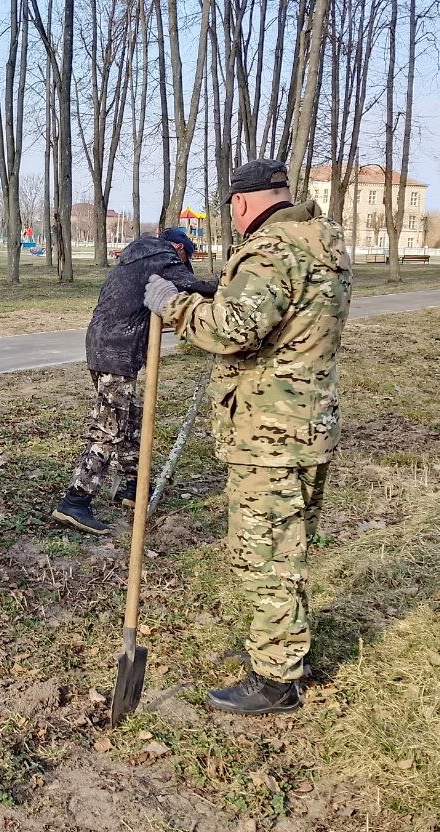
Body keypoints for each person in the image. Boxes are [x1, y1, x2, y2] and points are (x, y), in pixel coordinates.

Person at [144, 159, 351, 715]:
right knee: (288, 546)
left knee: (263, 556)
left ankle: (276, 680)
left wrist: (174, 305)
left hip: (270, 434)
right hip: (307, 422)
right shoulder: (322, 241)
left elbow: (232, 330)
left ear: (240, 205)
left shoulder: (272, 251)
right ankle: (284, 649)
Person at [54, 227, 218, 535]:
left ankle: (132, 488)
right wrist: (226, 288)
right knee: (109, 429)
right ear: (179, 249)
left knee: (128, 422)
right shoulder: (160, 256)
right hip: (116, 350)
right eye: (186, 257)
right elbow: (191, 286)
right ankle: (75, 501)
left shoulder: (137, 257)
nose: (184, 262)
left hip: (104, 345)